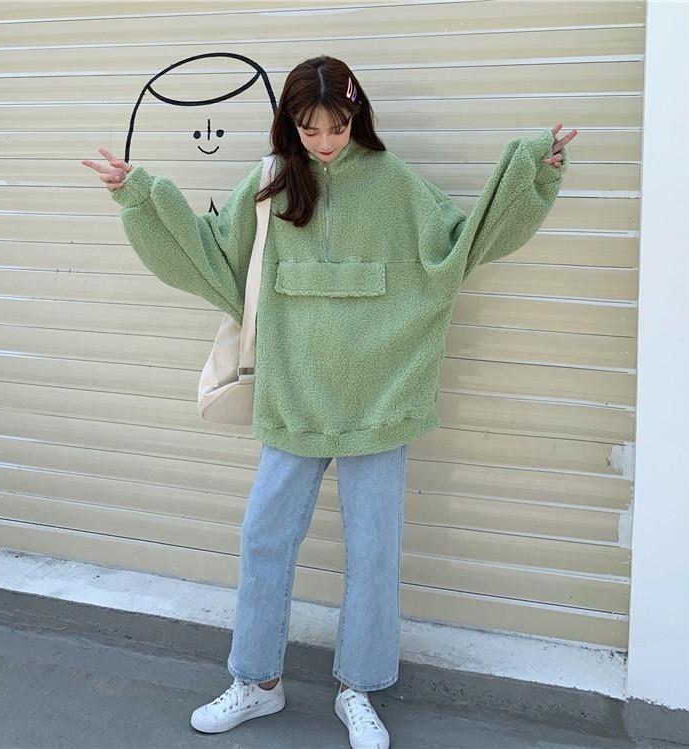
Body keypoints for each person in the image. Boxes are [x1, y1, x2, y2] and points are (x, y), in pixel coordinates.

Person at [83, 55, 575, 749]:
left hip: (380, 395)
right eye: (308, 128)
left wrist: (532, 177)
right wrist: (140, 195)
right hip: (293, 393)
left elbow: (460, 248)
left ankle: (358, 689)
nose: (323, 142)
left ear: (356, 116)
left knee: (373, 551)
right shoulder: (270, 182)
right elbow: (209, 254)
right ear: (289, 123)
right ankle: (257, 682)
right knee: (264, 537)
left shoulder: (394, 181)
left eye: (336, 127)